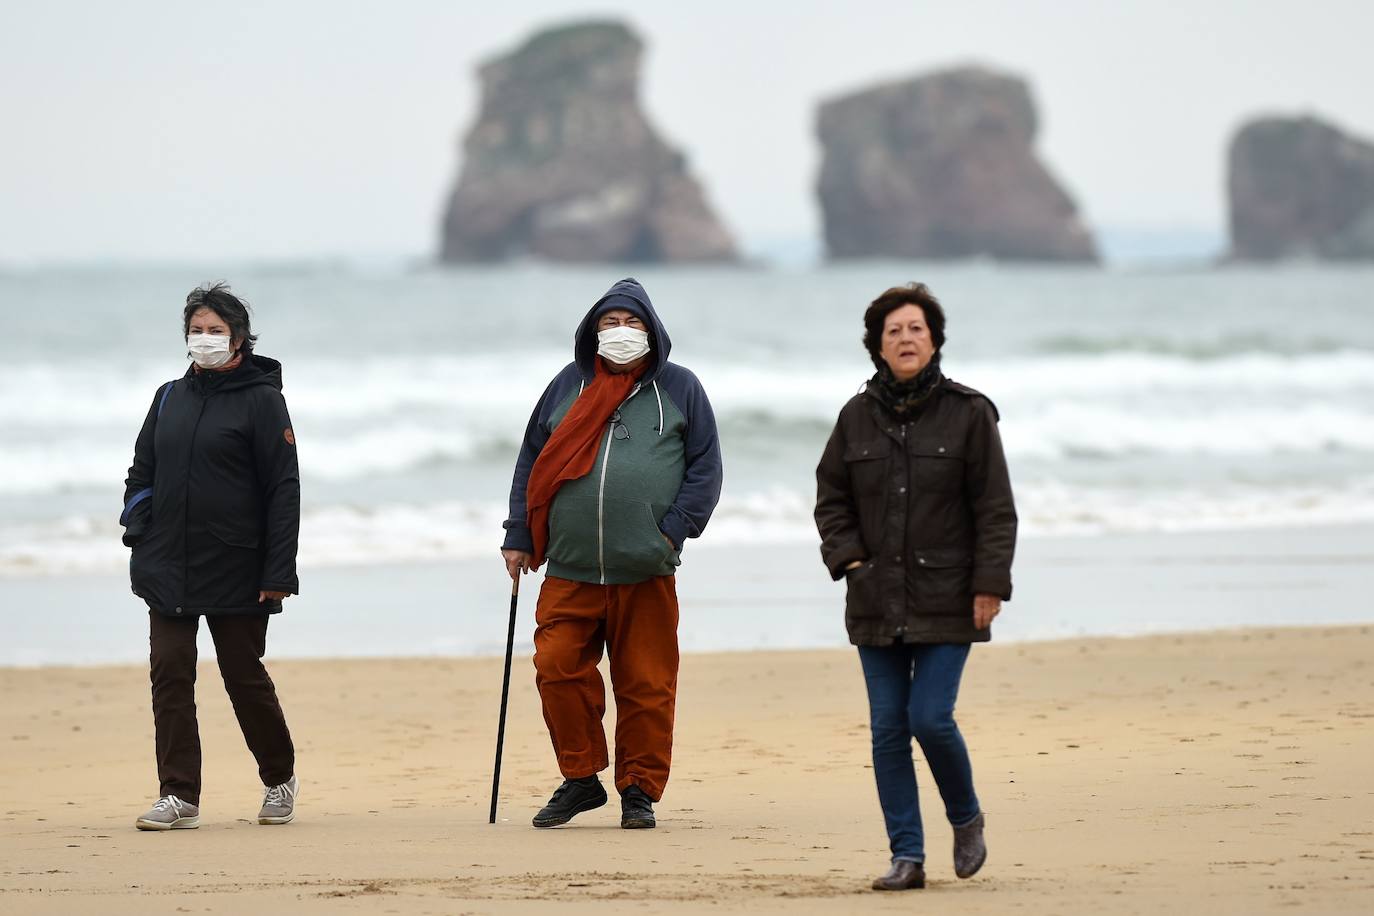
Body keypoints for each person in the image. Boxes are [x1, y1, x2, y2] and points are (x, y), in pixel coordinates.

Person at [814, 283, 1016, 890]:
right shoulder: (855, 418)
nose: (906, 338)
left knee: (930, 717)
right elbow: (831, 501)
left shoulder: (970, 413)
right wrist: (851, 563)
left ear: (935, 342)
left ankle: (966, 816)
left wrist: (990, 585)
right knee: (886, 730)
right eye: (894, 330)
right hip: (874, 598)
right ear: (877, 345)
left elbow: (995, 509)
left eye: (917, 329)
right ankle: (907, 856)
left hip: (951, 596)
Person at [500, 277, 722, 830]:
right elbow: (532, 459)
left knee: (646, 685)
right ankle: (581, 779)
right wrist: (518, 534)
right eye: (609, 323)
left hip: (645, 569)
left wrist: (671, 531)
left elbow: (705, 470)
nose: (620, 332)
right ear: (592, 332)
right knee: (556, 669)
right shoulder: (565, 386)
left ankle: (638, 790)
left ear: (652, 332)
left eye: (632, 324)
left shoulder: (681, 388)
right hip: (570, 567)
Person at [122, 283, 301, 831]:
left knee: (241, 673)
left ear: (239, 338)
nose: (205, 340)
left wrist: (278, 572)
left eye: (215, 331)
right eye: (196, 331)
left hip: (239, 565)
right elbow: (141, 473)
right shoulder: (168, 397)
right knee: (169, 673)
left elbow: (283, 489)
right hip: (168, 563)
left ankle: (279, 777)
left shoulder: (263, 399)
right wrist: (138, 527)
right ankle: (179, 795)